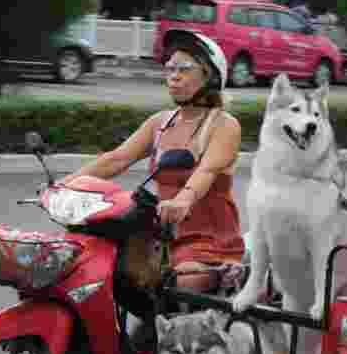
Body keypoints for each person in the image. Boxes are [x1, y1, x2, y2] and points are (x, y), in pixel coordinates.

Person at [62, 31, 245, 295]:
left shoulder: (223, 125)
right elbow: (117, 158)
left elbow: (207, 170)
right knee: (104, 271)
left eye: (184, 68)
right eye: (170, 67)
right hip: (163, 237)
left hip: (208, 243)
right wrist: (67, 184)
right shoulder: (161, 123)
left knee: (180, 286)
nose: (174, 75)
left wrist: (183, 200)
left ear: (209, 76)